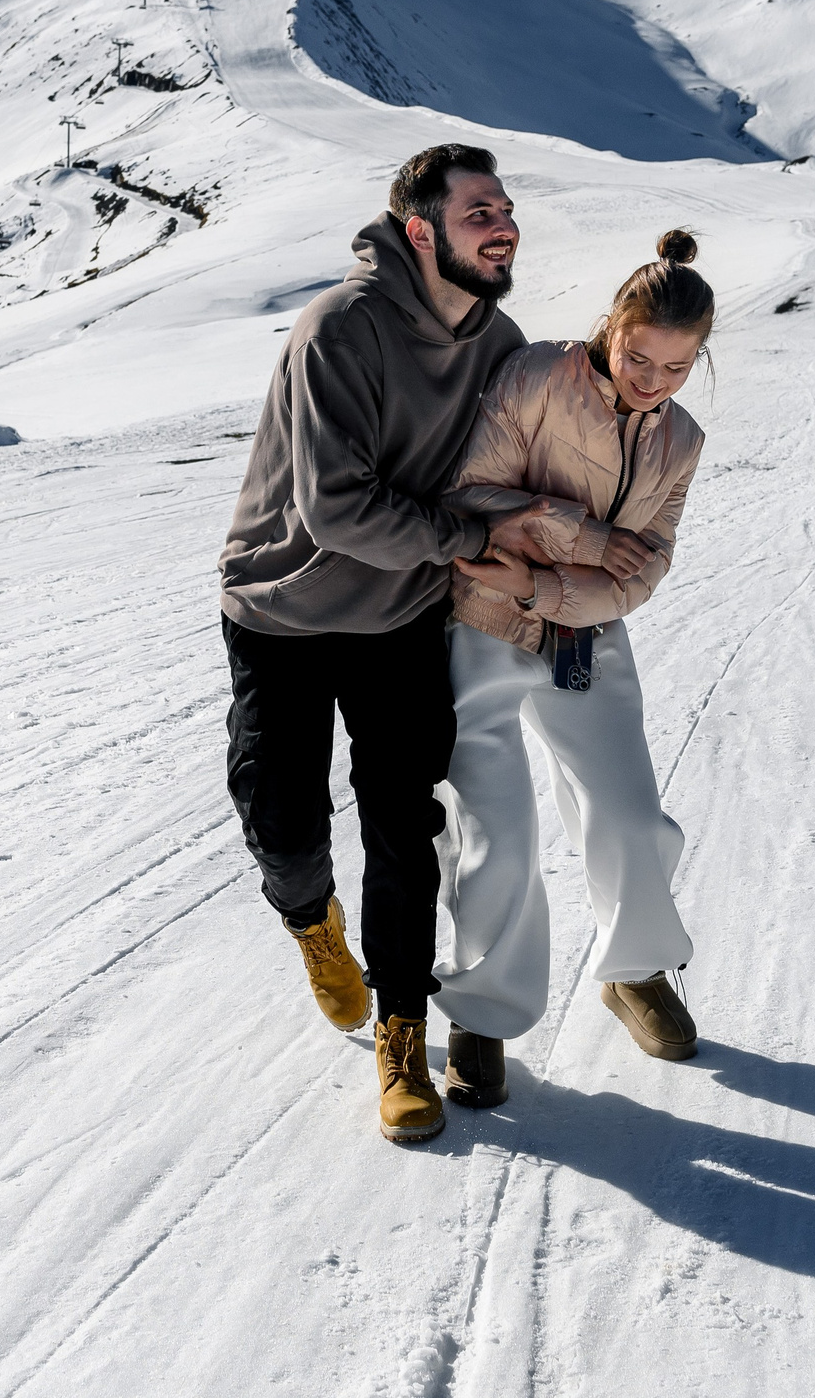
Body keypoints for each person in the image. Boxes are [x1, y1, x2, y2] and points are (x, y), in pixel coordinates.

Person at [219, 143, 553, 1144]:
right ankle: (309, 915)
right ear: (420, 232)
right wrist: (466, 539)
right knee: (281, 820)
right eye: (476, 211)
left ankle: (401, 1031)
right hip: (283, 608)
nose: (502, 225)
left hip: (401, 618)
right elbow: (335, 511)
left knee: (403, 825)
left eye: (505, 207)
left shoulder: (501, 346)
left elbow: (544, 447)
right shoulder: (341, 330)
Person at [428, 230, 716, 1110]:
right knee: (494, 828)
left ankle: (632, 972)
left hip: (583, 635)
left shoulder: (682, 441)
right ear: (613, 325)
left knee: (628, 813)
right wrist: (586, 541)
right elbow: (474, 494)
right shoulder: (534, 376)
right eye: (640, 356)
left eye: (677, 366)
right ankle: (482, 1011)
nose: (653, 381)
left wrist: (550, 581)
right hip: (481, 621)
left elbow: (648, 569)